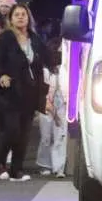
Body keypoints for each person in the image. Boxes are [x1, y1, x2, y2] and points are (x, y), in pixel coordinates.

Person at [0, 4, 47, 181]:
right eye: (17, 15)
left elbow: (46, 58)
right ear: (11, 19)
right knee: (12, 129)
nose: (21, 17)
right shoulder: (6, 38)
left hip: (30, 93)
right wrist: (1, 75)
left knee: (24, 133)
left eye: (24, 14)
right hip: (11, 92)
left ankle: (17, 169)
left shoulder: (35, 39)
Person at [35, 42, 67, 178]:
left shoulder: (66, 70)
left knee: (60, 135)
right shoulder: (43, 71)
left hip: (62, 104)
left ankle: (59, 166)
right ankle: (45, 164)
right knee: (46, 137)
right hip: (47, 104)